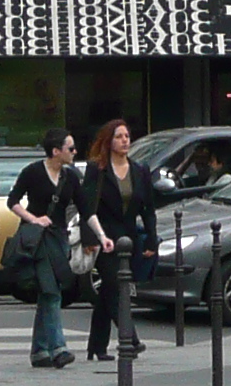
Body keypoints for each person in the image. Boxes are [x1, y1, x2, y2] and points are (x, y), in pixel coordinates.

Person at [81, 119, 158, 362]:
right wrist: (90, 238)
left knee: (108, 292)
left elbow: (148, 209)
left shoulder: (139, 170)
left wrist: (151, 241)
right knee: (115, 289)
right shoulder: (98, 169)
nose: (125, 140)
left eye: (127, 136)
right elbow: (87, 206)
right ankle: (131, 339)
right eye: (119, 136)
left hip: (129, 239)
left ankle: (97, 346)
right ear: (109, 141)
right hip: (106, 238)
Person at [9, 127, 80, 368]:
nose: (74, 151)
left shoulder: (71, 176)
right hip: (37, 239)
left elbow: (86, 206)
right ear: (56, 151)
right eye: (70, 148)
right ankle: (59, 348)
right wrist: (34, 218)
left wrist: (97, 236)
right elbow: (13, 201)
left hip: (59, 237)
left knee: (48, 291)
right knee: (51, 291)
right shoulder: (33, 172)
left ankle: (39, 351)